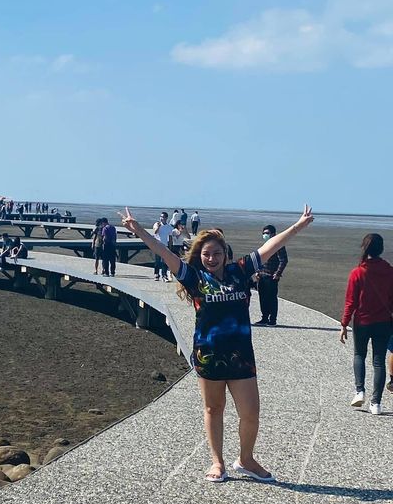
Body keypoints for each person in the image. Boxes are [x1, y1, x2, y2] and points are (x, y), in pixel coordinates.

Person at [119, 204, 314, 483]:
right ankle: (217, 462)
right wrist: (137, 230)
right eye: (206, 253)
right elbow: (163, 252)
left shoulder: (240, 272)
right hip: (208, 355)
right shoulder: (194, 277)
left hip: (241, 355)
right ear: (200, 255)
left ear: (225, 254)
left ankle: (245, 459)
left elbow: (270, 247)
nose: (211, 258)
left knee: (251, 413)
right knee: (214, 408)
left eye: (217, 253)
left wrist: (297, 226)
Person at [340, 233, 393, 416]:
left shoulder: (357, 272)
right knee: (379, 361)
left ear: (365, 248)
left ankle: (359, 391)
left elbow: (350, 301)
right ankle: (376, 403)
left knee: (359, 355)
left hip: (362, 321)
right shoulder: (389, 271)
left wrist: (344, 323)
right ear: (381, 249)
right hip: (384, 323)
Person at [254, 225, 288, 326]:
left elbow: (284, 260)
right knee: (262, 297)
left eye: (267, 233)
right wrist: (258, 271)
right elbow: (261, 259)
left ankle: (272, 319)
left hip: (271, 276)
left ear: (273, 234)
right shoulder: (265, 245)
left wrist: (277, 273)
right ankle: (264, 318)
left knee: (272, 298)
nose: (265, 235)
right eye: (264, 233)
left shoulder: (278, 245)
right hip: (262, 276)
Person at [153, 212, 173, 282]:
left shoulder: (169, 227)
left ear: (166, 218)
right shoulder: (157, 224)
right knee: (157, 261)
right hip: (157, 245)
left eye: (163, 217)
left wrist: (170, 247)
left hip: (165, 245)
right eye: (161, 217)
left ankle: (164, 275)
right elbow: (155, 232)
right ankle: (156, 274)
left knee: (165, 261)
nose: (162, 218)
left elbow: (170, 238)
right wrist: (159, 226)